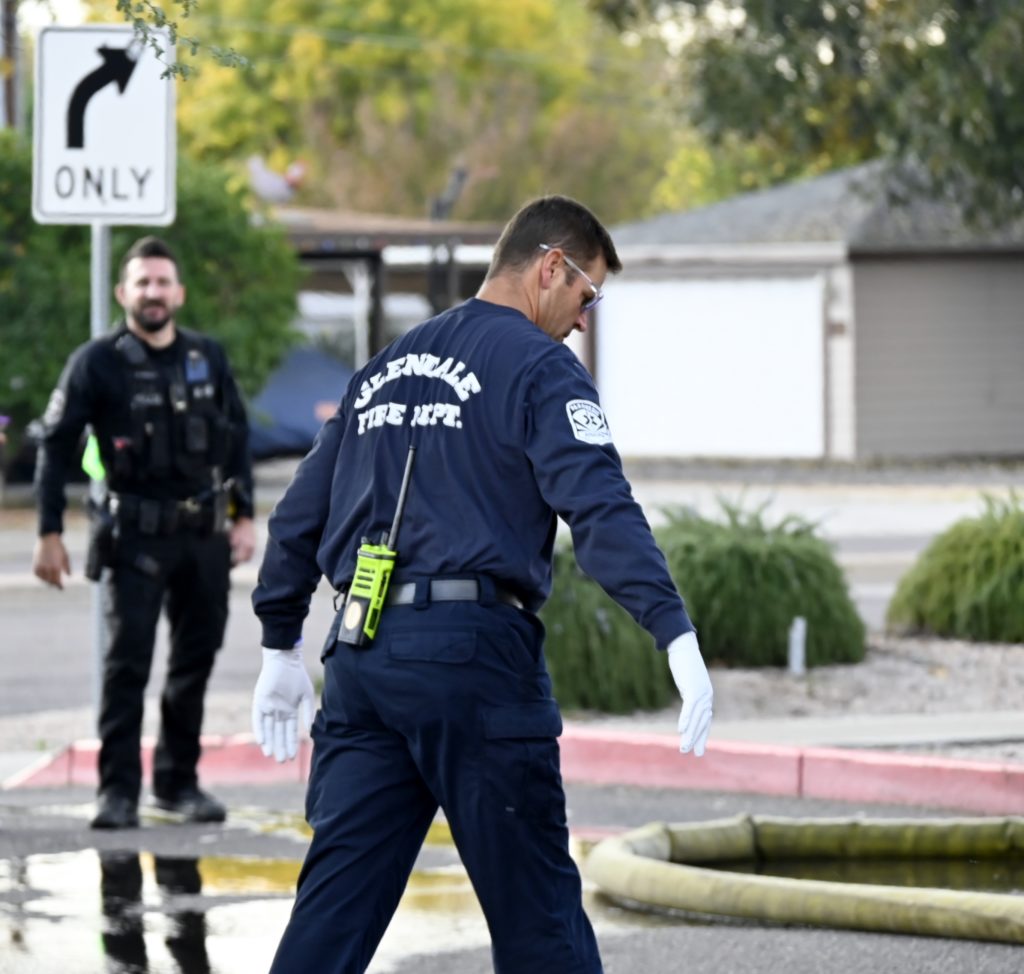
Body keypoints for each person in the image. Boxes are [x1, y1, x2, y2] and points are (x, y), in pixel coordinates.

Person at [249, 195, 713, 974]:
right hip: (472, 662)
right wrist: (673, 629)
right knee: (539, 919)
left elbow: (299, 515)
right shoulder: (540, 367)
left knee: (330, 920)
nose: (584, 320)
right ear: (551, 267)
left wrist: (279, 644)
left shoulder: (384, 368)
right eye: (588, 295)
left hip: (362, 661)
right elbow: (600, 508)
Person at [32, 235, 256, 830]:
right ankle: (117, 792)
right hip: (133, 539)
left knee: (194, 661)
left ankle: (177, 784)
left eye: (162, 282)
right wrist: (49, 531)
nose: (152, 293)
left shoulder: (207, 356)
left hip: (204, 537)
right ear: (122, 293)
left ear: (178, 293)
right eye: (142, 283)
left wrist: (244, 516)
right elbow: (54, 447)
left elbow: (237, 439)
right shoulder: (96, 362)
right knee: (126, 667)